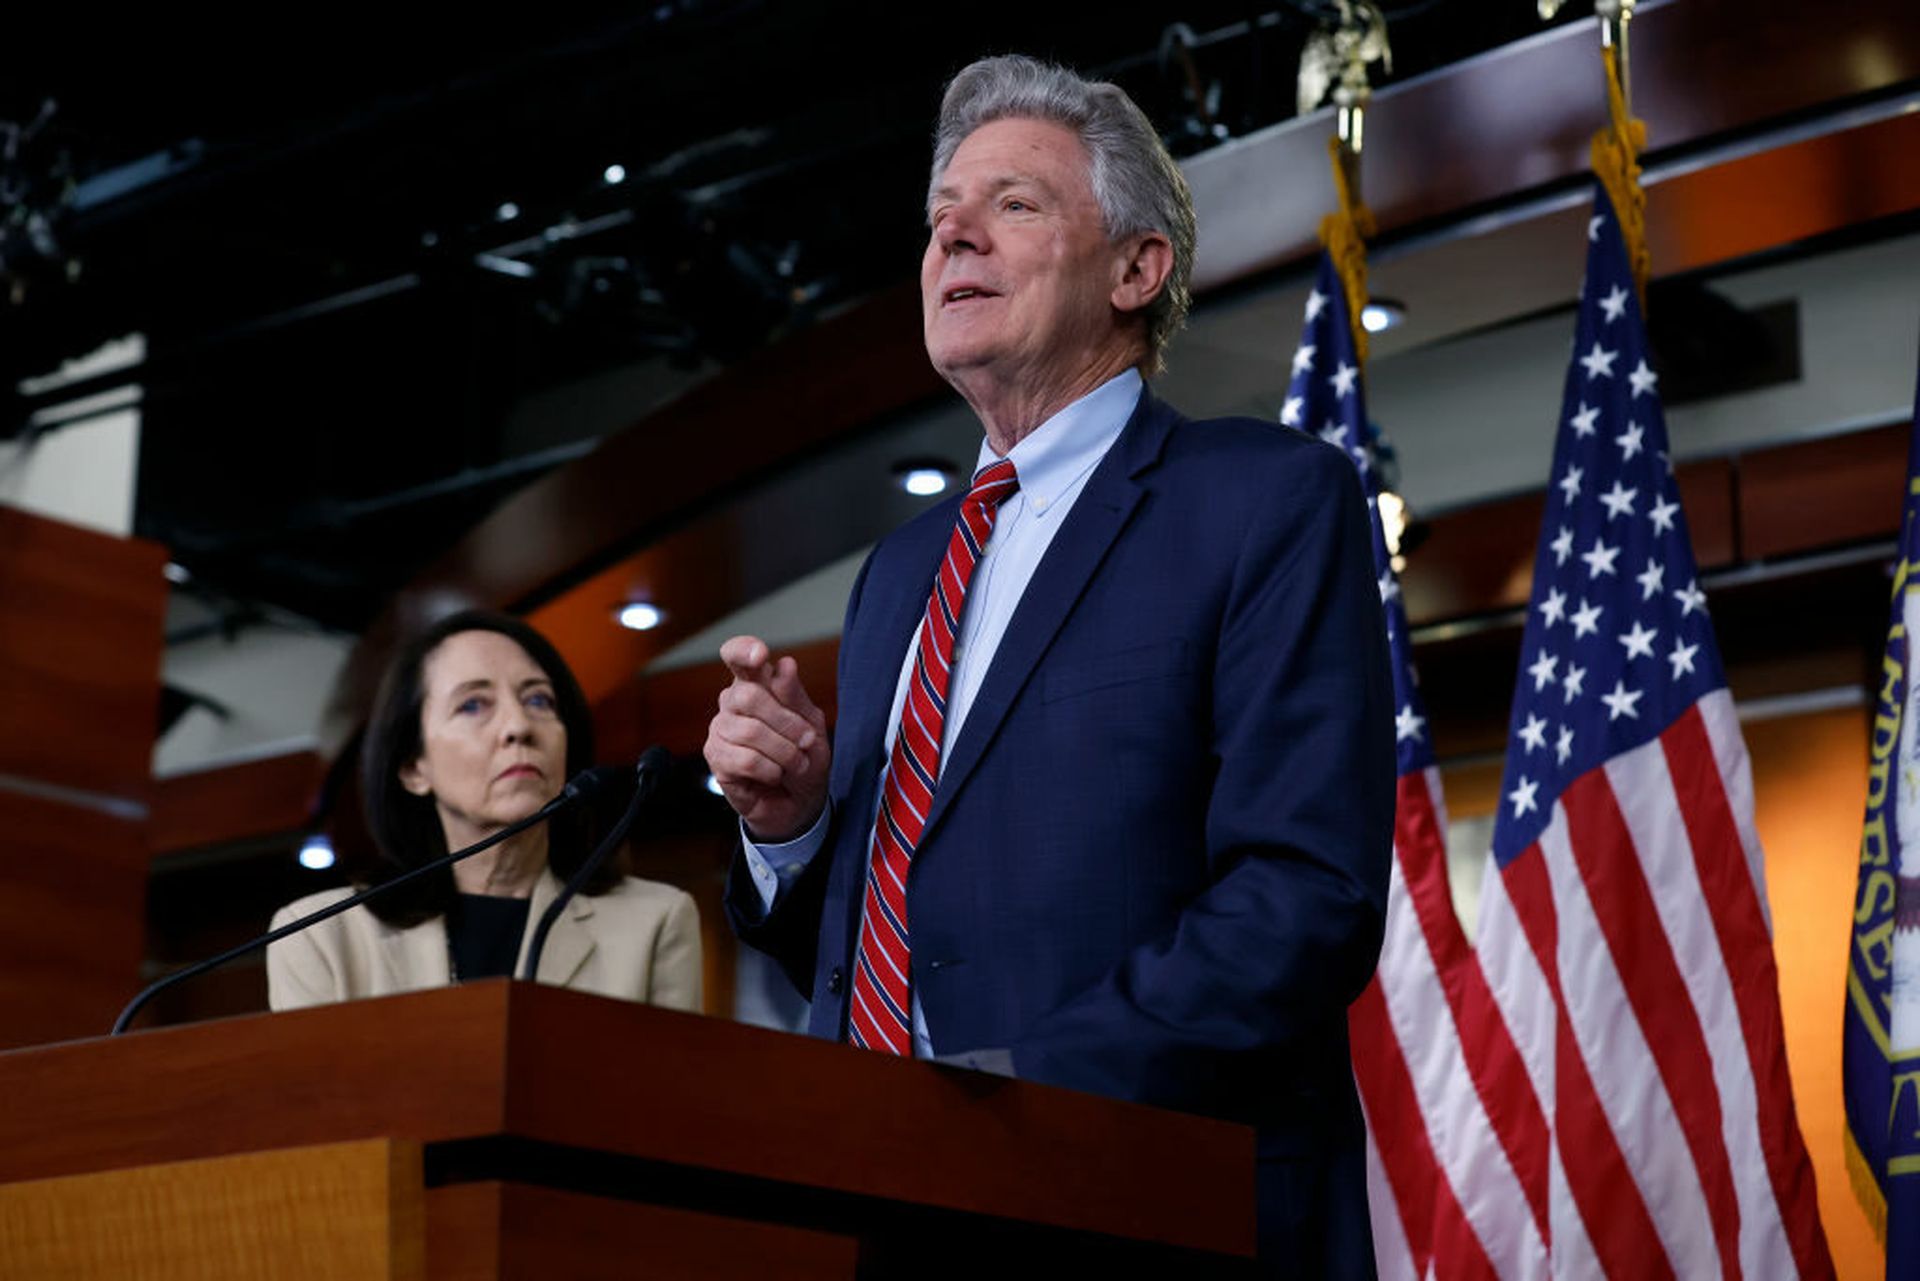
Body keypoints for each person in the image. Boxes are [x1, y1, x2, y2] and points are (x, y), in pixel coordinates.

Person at [703, 55, 1392, 1273]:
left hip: (1142, 1199)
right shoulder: (899, 573)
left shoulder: (1263, 500)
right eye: (940, 216)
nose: (952, 232)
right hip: (877, 1209)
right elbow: (885, 926)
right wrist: (795, 829)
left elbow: (1304, 897)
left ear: (1138, 269)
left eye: (1013, 204)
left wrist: (1012, 1093)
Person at [269, 610, 701, 1012]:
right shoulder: (321, 936)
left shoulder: (654, 922)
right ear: (413, 768)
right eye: (473, 705)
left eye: (539, 701)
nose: (518, 727)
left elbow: (670, 1093)